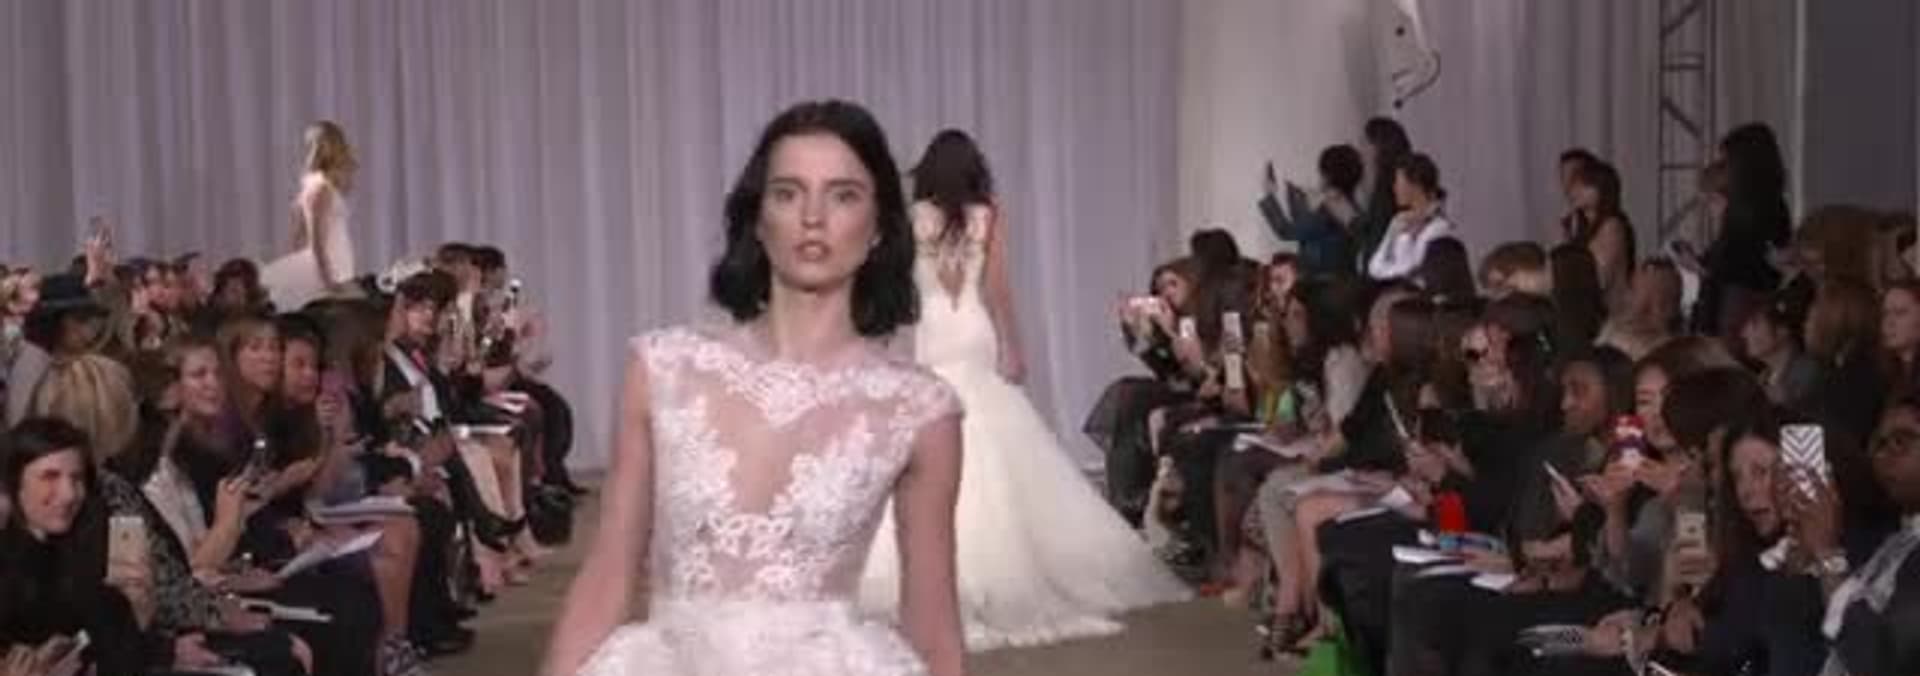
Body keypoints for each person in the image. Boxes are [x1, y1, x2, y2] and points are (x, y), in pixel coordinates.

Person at [541, 100, 965, 676]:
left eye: (843, 195)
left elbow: (932, 619)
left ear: (879, 228)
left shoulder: (917, 408)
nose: (812, 217)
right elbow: (609, 570)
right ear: (758, 220)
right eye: (788, 194)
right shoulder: (664, 369)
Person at [858, 129, 1189, 652]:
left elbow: (900, 286)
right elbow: (997, 288)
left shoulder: (912, 217)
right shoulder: (986, 214)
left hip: (933, 332)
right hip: (972, 329)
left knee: (934, 433)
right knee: (985, 428)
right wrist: (1013, 344)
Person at [262, 121, 360, 311]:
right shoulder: (320, 188)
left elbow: (300, 235)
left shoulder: (320, 186)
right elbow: (316, 241)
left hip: (335, 261)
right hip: (329, 265)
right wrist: (327, 280)